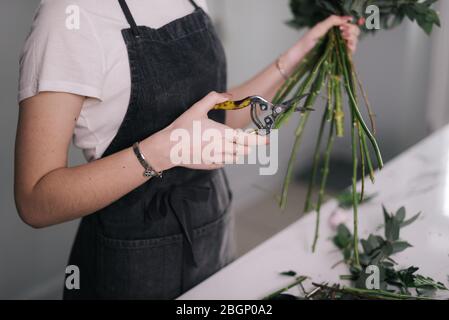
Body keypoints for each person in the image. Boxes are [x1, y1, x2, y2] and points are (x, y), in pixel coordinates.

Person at [14, 0, 360, 299]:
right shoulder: (68, 18)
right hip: (132, 263)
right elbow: (35, 201)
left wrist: (301, 55)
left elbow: (218, 117)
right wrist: (165, 150)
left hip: (213, 228)